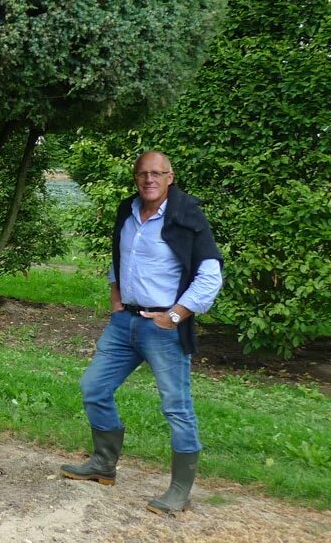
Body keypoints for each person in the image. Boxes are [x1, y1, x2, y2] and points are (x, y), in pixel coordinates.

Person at [61, 151, 222, 515]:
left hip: (162, 328)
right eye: (142, 174)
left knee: (176, 407)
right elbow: (120, 258)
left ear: (170, 177)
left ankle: (180, 490)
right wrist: (115, 296)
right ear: (136, 178)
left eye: (156, 173)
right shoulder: (127, 211)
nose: (148, 179)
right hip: (124, 324)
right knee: (94, 388)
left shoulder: (187, 217)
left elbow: (211, 274)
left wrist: (176, 315)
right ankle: (104, 463)